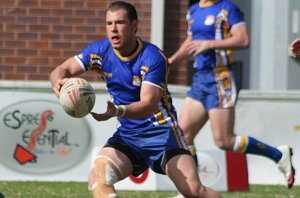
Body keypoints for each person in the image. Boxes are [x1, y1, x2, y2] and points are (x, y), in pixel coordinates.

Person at [50, 1, 222, 198]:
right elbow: (61, 70)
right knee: (98, 177)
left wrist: (116, 111)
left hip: (163, 135)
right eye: (109, 23)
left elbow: (148, 105)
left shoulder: (153, 57)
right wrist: (59, 82)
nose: (113, 28)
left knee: (194, 191)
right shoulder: (99, 51)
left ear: (134, 26)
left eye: (120, 23)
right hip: (128, 136)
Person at [168, 0, 296, 191]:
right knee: (183, 135)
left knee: (224, 140)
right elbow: (191, 41)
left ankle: (278, 155)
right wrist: (171, 61)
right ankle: (194, 191)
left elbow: (243, 39)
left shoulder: (227, 8)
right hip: (200, 78)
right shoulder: (193, 10)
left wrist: (209, 44)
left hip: (221, 77)